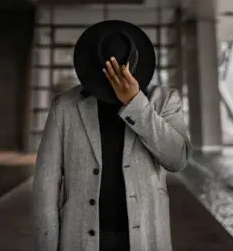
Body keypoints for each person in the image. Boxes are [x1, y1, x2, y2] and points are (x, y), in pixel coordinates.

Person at [33, 20, 192, 251]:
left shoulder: (165, 100)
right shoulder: (65, 106)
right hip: (80, 239)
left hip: (146, 239)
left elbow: (178, 159)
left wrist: (135, 103)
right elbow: (46, 185)